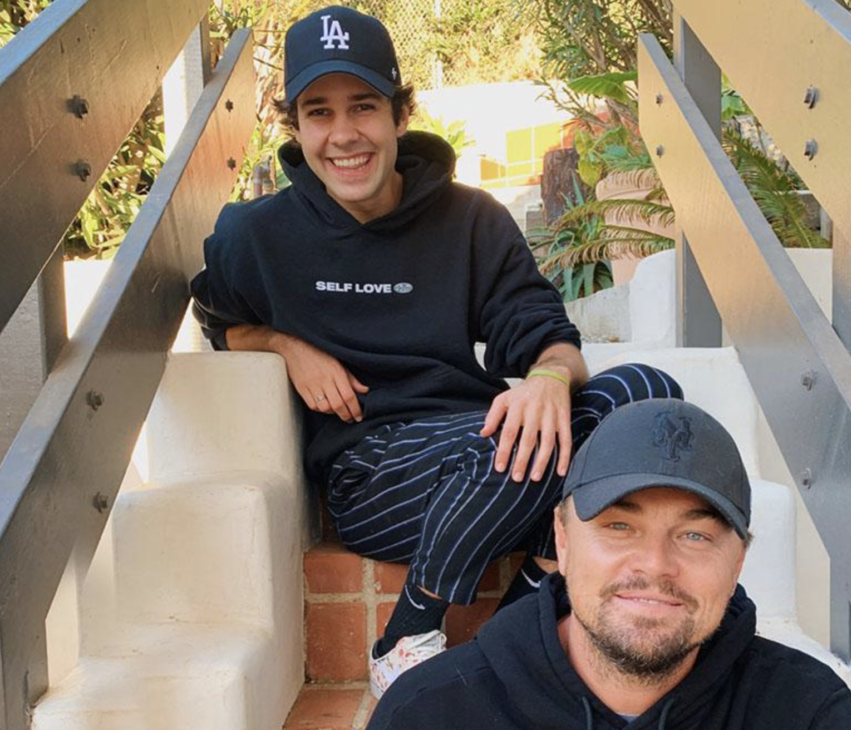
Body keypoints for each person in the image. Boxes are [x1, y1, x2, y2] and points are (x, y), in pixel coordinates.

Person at [188, 6, 681, 698]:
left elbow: (548, 335)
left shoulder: (470, 219)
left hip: (484, 444)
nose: (343, 135)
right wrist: (282, 344)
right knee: (513, 445)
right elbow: (215, 313)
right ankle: (407, 635)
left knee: (645, 396)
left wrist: (545, 379)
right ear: (295, 127)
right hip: (371, 471)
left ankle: (524, 611)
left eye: (363, 106)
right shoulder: (257, 235)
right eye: (318, 112)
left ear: (397, 114)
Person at [368, 399, 851, 729]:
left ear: (737, 562)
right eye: (618, 527)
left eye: (694, 535)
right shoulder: (431, 712)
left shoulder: (807, 713)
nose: (655, 565)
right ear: (562, 542)